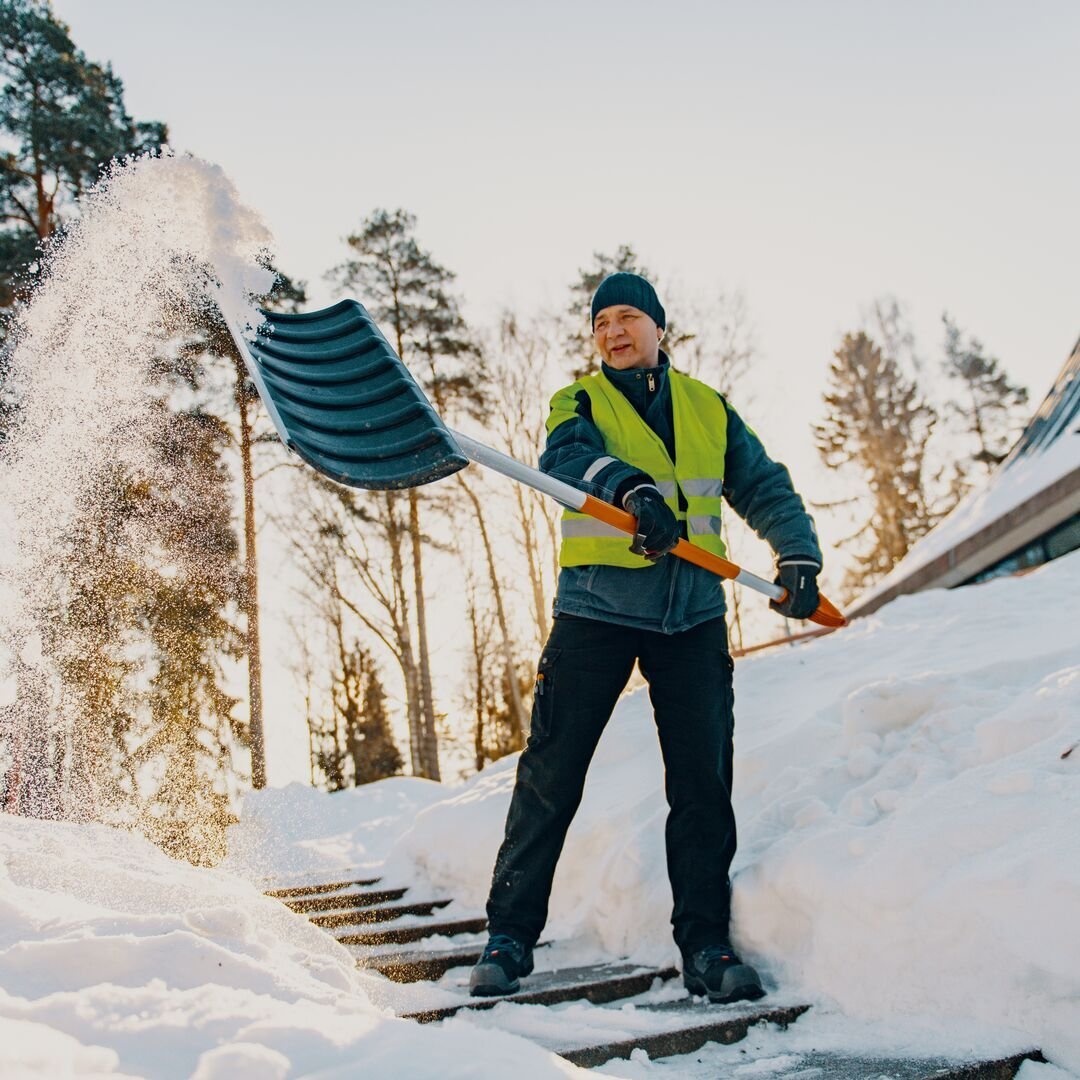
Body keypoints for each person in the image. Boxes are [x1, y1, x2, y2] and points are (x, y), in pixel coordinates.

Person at [469, 272, 822, 1003]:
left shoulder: (707, 408)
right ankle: (508, 935)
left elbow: (763, 485)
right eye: (600, 324)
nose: (612, 332)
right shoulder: (580, 401)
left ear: (661, 327)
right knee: (551, 775)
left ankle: (706, 948)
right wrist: (630, 491)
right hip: (596, 610)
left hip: (691, 617)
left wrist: (797, 555)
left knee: (702, 787)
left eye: (627, 317)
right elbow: (564, 459)